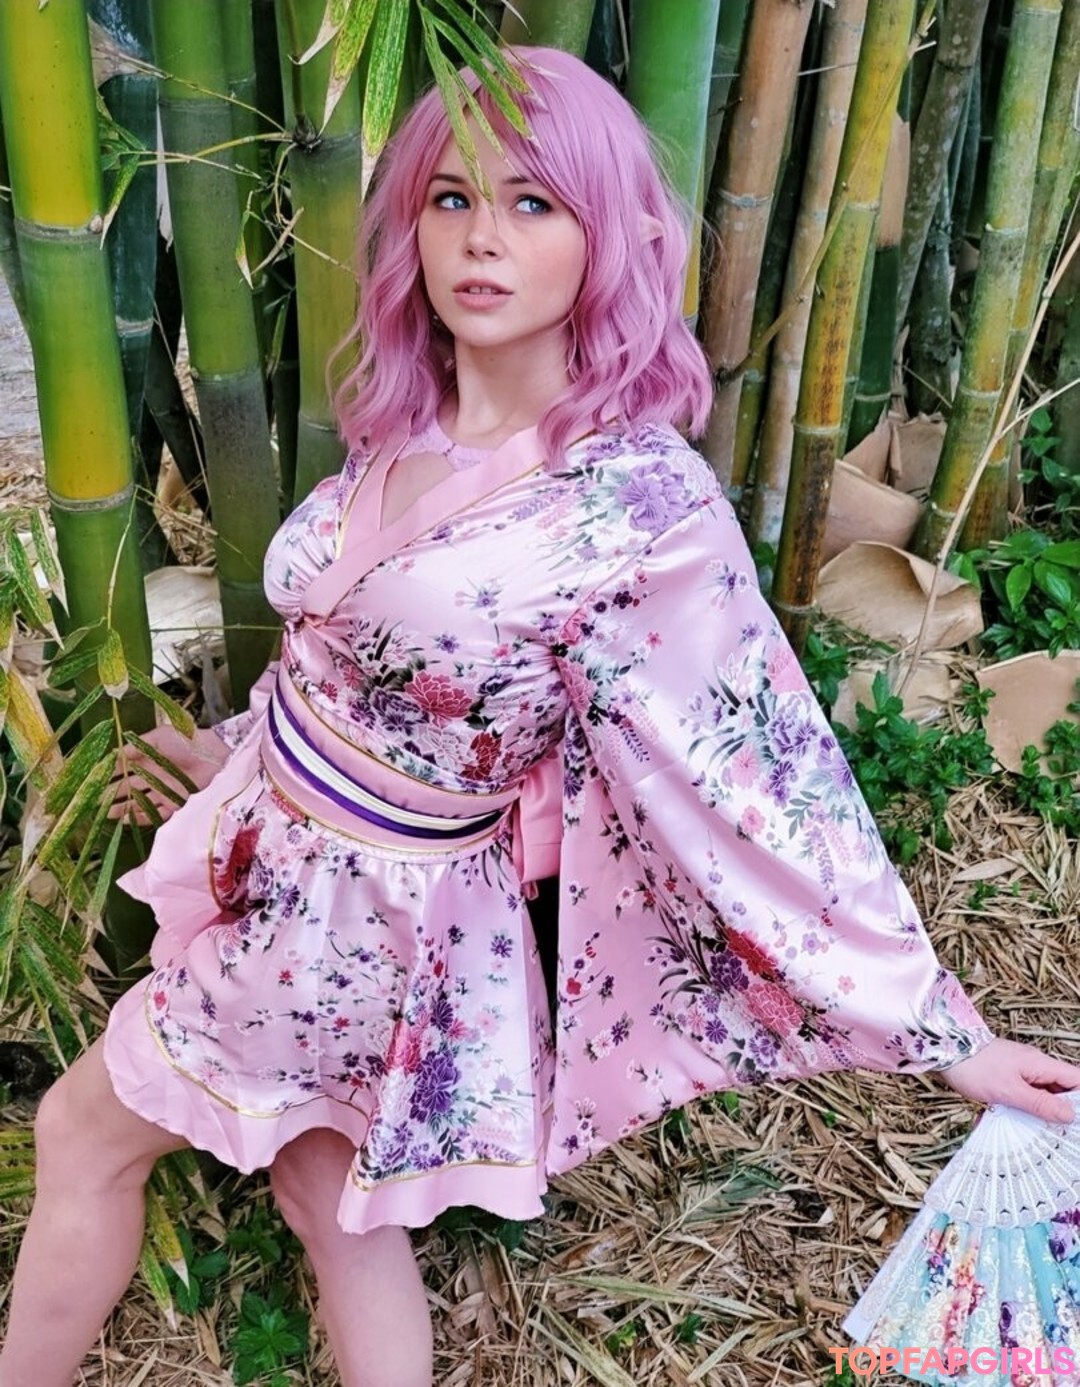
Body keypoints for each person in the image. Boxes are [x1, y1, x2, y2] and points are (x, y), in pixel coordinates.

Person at [2, 45, 1078, 1387]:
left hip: (355, 920)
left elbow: (762, 778)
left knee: (84, 1136)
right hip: (320, 886)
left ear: (608, 235)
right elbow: (362, 668)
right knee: (331, 1205)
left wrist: (946, 1033)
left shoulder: (637, 506)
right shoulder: (407, 422)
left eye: (532, 204)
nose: (481, 239)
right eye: (451, 199)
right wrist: (232, 756)